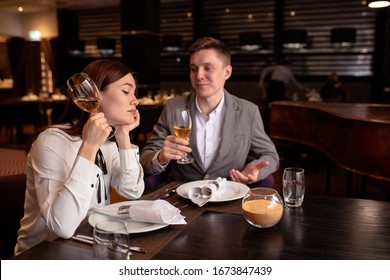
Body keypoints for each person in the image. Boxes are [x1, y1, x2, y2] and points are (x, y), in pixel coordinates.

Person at [14, 60, 145, 256]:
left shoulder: (108, 142)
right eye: (126, 91)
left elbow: (132, 190)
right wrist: (89, 147)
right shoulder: (51, 142)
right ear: (93, 95)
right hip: (43, 255)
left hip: (89, 246)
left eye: (134, 93)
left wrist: (123, 135)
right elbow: (62, 227)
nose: (135, 100)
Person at [140, 37, 279, 188]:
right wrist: (161, 157)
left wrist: (255, 169)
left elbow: (270, 156)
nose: (198, 75)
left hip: (229, 196)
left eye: (207, 68)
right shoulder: (173, 107)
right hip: (181, 198)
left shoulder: (248, 111)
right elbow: (147, 156)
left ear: (227, 72)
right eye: (194, 69)